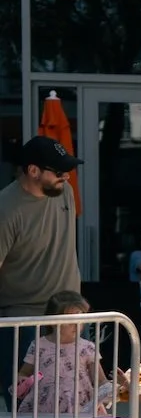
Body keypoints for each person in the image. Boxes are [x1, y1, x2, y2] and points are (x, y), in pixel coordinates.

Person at [0, 136, 82, 319]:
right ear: (33, 170)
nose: (66, 176)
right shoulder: (6, 209)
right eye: (59, 171)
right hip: (26, 315)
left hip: (71, 309)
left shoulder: (64, 190)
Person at [13, 291, 108, 415]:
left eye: (80, 319)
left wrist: (113, 390)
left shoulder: (87, 347)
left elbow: (100, 380)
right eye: (70, 320)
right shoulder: (38, 345)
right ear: (52, 321)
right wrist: (22, 379)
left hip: (80, 408)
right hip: (44, 407)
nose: (76, 325)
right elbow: (25, 372)